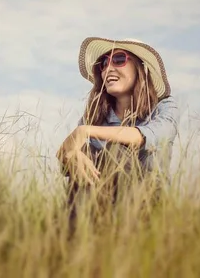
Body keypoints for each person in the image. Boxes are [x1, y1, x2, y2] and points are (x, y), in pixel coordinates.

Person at [56, 37, 180, 225]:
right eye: (104, 63)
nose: (108, 68)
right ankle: (73, 239)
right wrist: (72, 153)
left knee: (116, 150)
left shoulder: (164, 107)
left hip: (147, 207)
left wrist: (84, 131)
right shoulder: (96, 116)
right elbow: (64, 158)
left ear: (141, 67)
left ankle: (124, 239)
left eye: (119, 59)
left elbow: (143, 136)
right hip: (97, 205)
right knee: (83, 153)